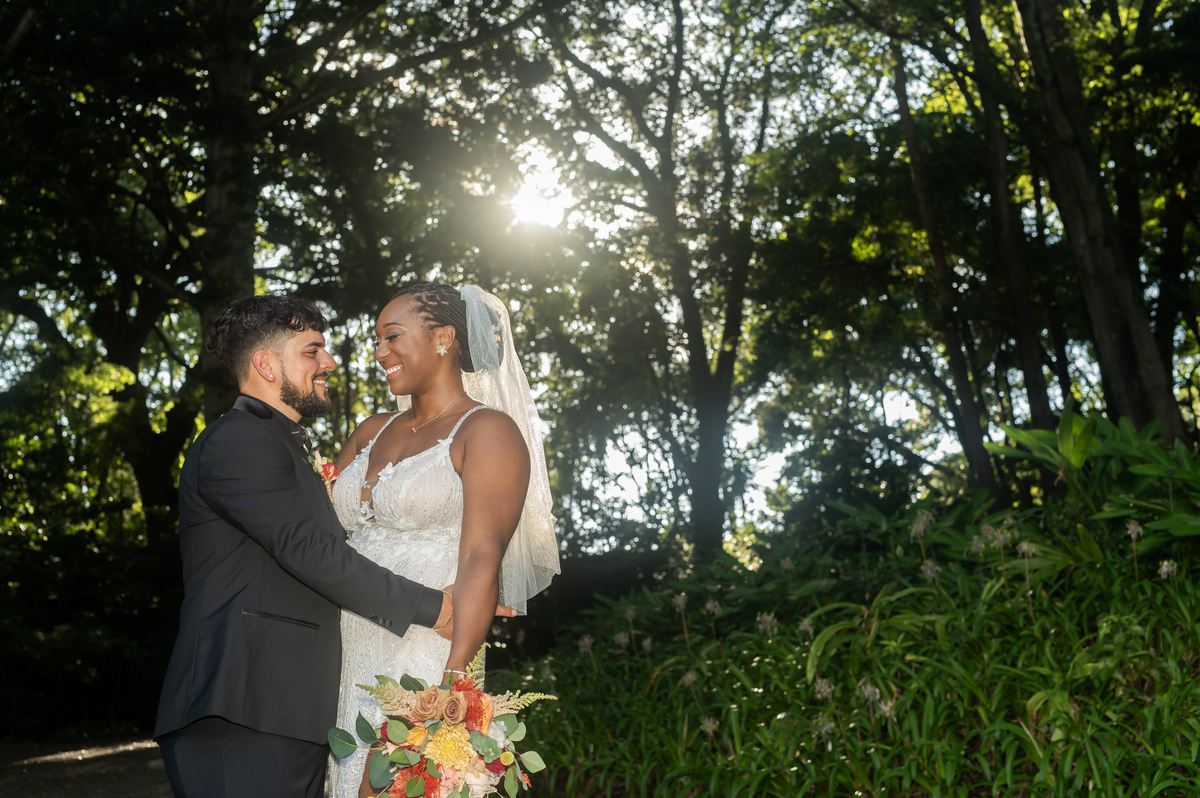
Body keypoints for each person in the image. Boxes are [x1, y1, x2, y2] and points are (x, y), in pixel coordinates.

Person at [153, 294, 515, 798]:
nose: (331, 362)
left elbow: (350, 543)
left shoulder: (283, 442)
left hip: (310, 698)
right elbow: (308, 550)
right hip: (243, 703)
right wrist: (440, 607)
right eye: (312, 351)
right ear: (266, 365)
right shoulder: (239, 440)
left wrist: (468, 602)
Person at [328, 283, 559, 798]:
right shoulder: (369, 431)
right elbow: (315, 539)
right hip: (341, 643)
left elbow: (481, 554)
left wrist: (451, 693)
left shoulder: (487, 431)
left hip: (424, 646)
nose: (379, 352)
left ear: (444, 338)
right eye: (376, 340)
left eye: (392, 336)